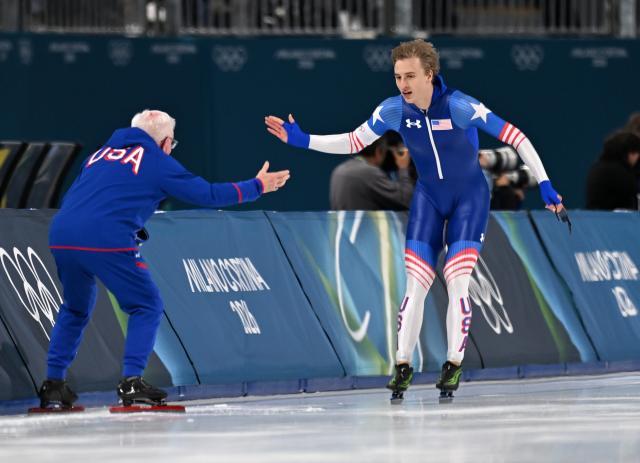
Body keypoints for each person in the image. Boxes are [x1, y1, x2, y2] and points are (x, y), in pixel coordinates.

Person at [265, 39, 563, 401]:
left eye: (409, 76)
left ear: (429, 75)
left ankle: (453, 363)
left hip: (470, 199)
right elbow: (354, 141)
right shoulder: (393, 110)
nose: (403, 84)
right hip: (429, 199)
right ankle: (402, 365)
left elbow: (517, 137)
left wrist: (545, 183)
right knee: (416, 284)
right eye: (397, 77)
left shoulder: (459, 105)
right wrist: (304, 140)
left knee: (457, 278)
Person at [39, 109, 290, 410]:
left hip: (62, 233)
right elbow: (208, 195)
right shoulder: (156, 160)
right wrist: (258, 186)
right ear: (165, 141)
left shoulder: (100, 154)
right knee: (146, 305)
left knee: (75, 308)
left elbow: (90, 198)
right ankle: (131, 382)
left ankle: (53, 384)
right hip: (106, 238)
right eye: (173, 144)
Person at [329, 131, 414, 210]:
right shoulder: (369, 172)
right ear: (378, 151)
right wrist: (403, 168)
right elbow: (407, 200)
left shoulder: (339, 169)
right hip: (366, 226)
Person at [586, 131, 640, 210]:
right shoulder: (621, 174)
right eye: (637, 152)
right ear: (630, 153)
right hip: (617, 219)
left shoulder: (598, 167)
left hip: (595, 218)